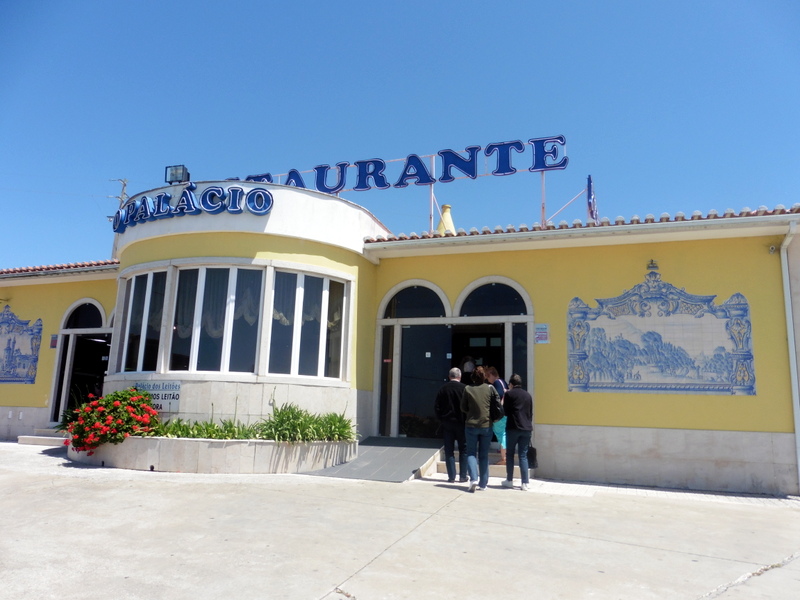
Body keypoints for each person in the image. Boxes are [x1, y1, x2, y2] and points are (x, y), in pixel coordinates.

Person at [460, 365, 499, 492]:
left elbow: (463, 407)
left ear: (472, 377)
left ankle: (473, 479)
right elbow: (497, 403)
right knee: (484, 455)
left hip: (471, 424)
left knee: (471, 453)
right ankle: (483, 483)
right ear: (484, 377)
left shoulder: (468, 389)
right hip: (486, 425)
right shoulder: (490, 388)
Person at [434, 367, 468, 483]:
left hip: (447, 423)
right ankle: (463, 476)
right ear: (460, 376)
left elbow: (437, 407)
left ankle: (451, 476)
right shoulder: (465, 389)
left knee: (449, 451)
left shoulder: (443, 389)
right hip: (462, 423)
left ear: (449, 377)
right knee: (464, 449)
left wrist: (441, 419)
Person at [500, 373, 533, 491]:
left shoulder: (509, 394)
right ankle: (525, 483)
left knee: (510, 454)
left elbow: (505, 411)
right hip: (526, 428)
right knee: (523, 455)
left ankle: (509, 480)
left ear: (511, 384)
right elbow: (530, 413)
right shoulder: (528, 395)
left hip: (513, 427)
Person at [486, 366, 508, 465]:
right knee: (503, 433)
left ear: (493, 375)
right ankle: (504, 454)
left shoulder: (496, 383)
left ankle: (504, 458)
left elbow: (497, 396)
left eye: (488, 376)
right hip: (505, 413)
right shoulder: (503, 382)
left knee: (501, 434)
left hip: (499, 414)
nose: (487, 378)